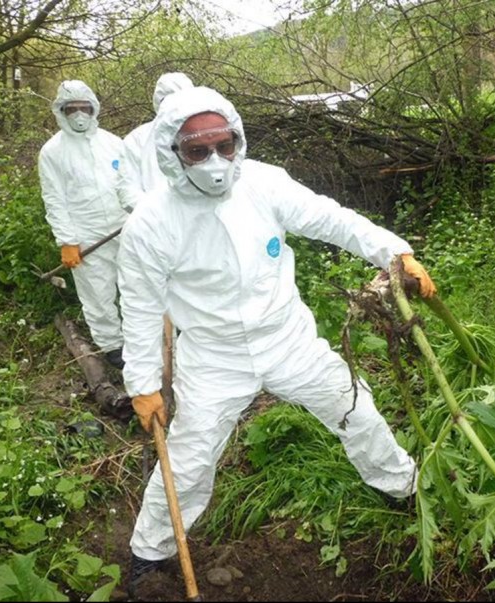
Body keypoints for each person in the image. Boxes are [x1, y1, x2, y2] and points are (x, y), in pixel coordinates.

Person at [116, 86, 437, 593]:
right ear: (173, 153)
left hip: (289, 339)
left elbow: (332, 219)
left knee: (354, 407)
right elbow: (137, 307)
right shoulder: (151, 223)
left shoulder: (263, 184)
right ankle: (148, 553)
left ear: (238, 139)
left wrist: (393, 253)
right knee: (190, 456)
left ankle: (404, 488)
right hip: (214, 356)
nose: (215, 160)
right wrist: (142, 383)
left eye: (224, 145)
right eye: (198, 150)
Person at [38, 80, 128, 369]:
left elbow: (132, 184)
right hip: (86, 234)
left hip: (125, 228)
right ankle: (113, 345)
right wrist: (67, 240)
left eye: (84, 107)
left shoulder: (114, 143)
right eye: (71, 108)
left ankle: (144, 339)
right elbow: (54, 199)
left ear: (94, 108)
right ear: (60, 111)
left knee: (137, 286)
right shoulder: (52, 152)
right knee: (98, 294)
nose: (79, 114)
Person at [119, 72, 194, 211]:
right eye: (167, 100)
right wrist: (157, 214)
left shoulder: (204, 133)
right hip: (156, 224)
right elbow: (127, 189)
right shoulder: (137, 139)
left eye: (179, 98)